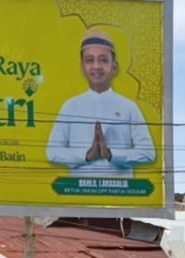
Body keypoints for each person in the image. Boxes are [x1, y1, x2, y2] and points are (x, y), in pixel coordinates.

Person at [45, 28, 156, 178]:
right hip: (77, 194)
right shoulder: (71, 106)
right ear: (82, 67)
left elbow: (148, 153)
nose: (96, 66)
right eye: (90, 60)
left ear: (114, 67)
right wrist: (87, 155)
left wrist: (112, 155)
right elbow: (52, 152)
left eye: (103, 60)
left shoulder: (129, 107)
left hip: (123, 194)